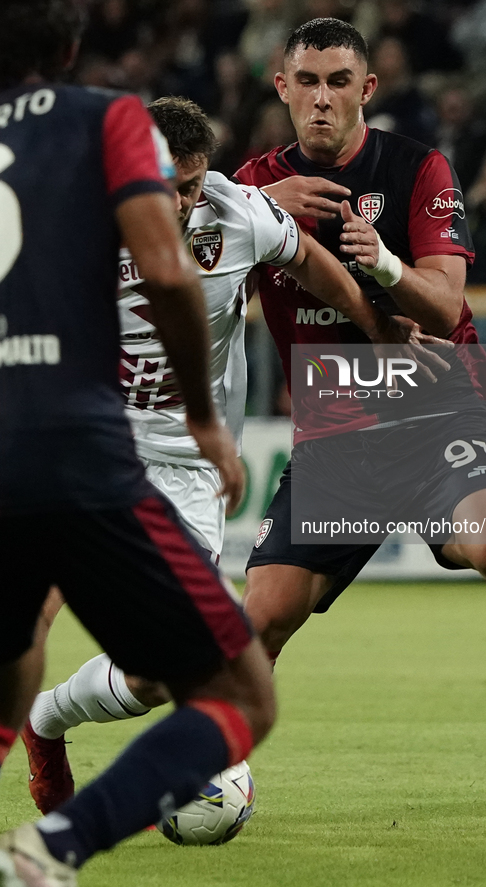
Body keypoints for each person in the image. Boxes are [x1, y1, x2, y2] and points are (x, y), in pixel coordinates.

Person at [21, 93, 445, 816]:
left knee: (168, 669)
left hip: (185, 467)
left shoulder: (236, 212)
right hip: (87, 445)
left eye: (192, 184)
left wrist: (375, 325)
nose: (182, 201)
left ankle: (46, 721)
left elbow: (308, 259)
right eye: (166, 184)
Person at [233, 18, 486, 747]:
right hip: (335, 434)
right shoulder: (253, 188)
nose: (322, 99)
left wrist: (386, 264)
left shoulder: (418, 168)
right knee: (257, 618)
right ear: (282, 88)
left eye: (339, 82)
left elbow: (447, 300)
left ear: (367, 88)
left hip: (435, 413)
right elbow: (188, 268)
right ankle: (219, 768)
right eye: (306, 82)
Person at [0, 2, 273, 885]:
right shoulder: (102, 122)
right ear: (75, 49)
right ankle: (58, 845)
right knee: (234, 690)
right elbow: (165, 270)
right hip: (82, 447)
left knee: (16, 655)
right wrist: (204, 416)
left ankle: (41, 744)